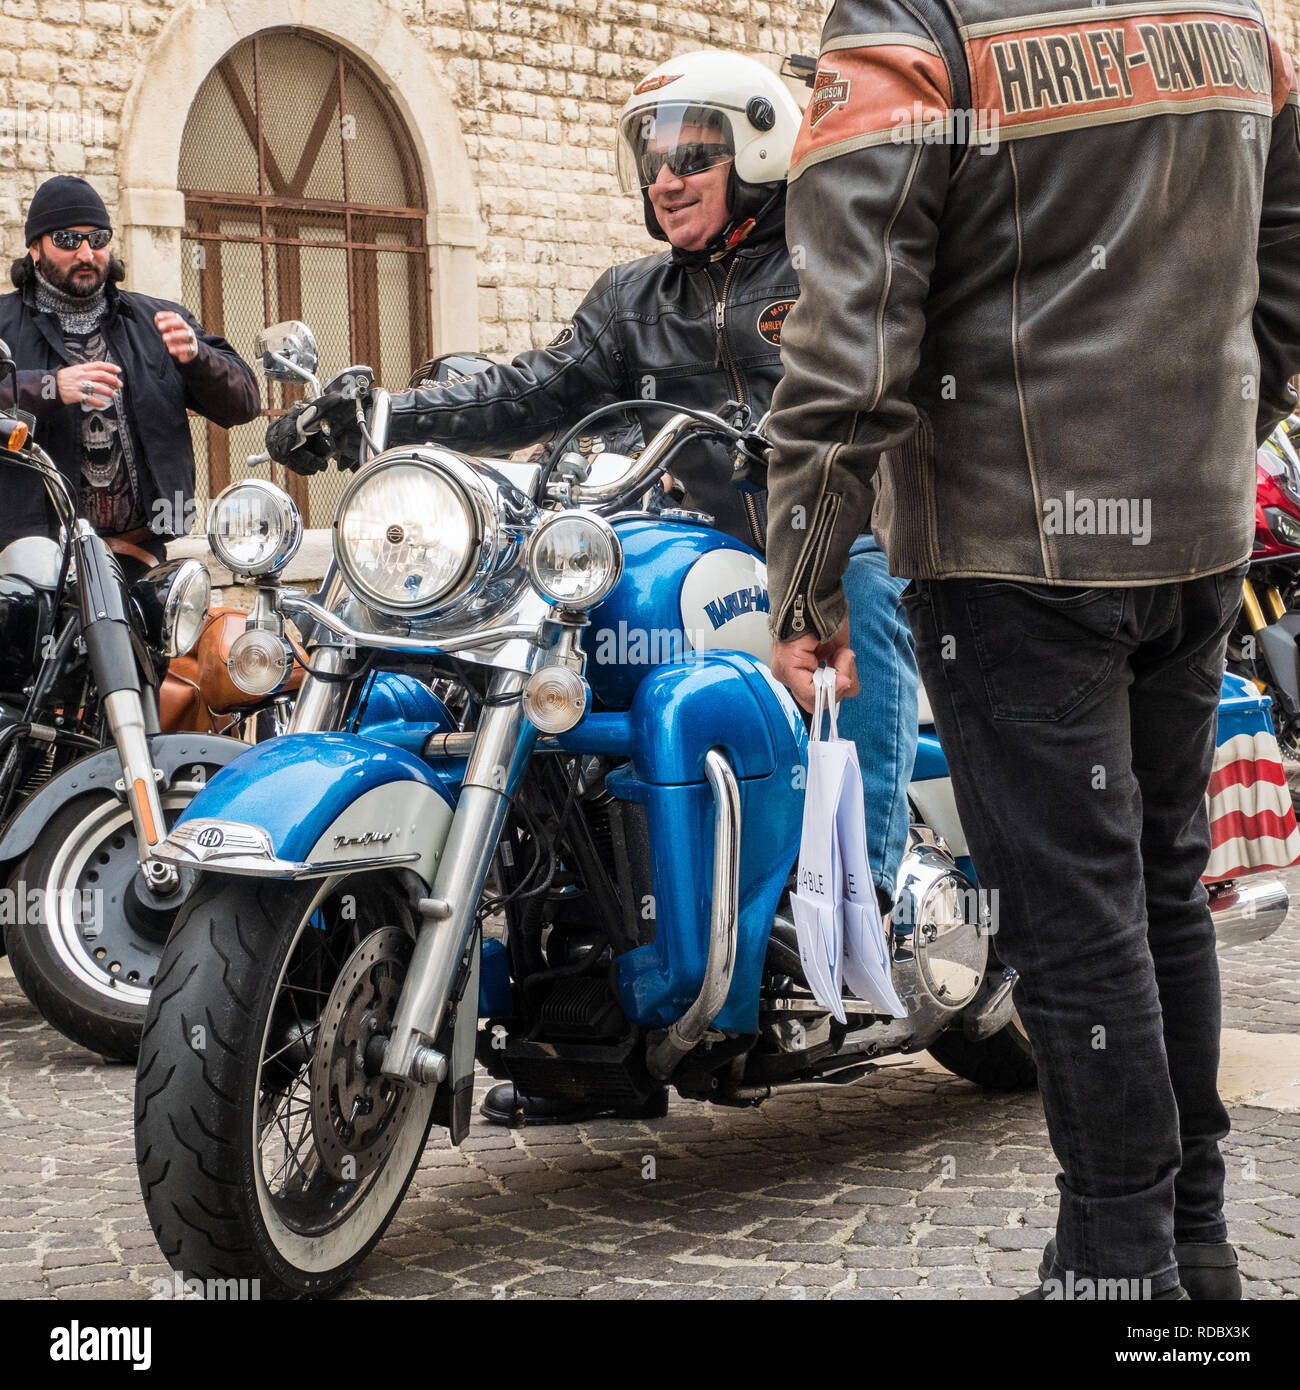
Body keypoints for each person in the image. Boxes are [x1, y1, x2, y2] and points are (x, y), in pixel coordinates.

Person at [268, 49, 920, 1123]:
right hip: (667, 550)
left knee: (866, 578)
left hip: (812, 533)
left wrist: (813, 444)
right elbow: (536, 385)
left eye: (693, 151)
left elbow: (879, 378)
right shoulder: (632, 297)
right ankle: (585, 997)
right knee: (554, 688)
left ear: (758, 150)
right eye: (653, 155)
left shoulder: (823, 271)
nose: (666, 176)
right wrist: (388, 415)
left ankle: (872, 892)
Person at [763, 0, 1300, 1300]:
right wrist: (1223, 434)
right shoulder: (1235, 20)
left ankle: (1121, 1268)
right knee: (1160, 891)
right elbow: (1285, 267)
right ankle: (1195, 1243)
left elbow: (854, 316)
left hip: (1013, 542)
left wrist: (804, 571)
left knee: (1076, 927)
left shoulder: (914, 21)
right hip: (1191, 527)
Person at [0, 176, 261, 576]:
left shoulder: (156, 321)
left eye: (98, 239)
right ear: (35, 248)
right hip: (32, 559)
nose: (86, 252)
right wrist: (51, 386)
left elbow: (244, 403)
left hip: (139, 553)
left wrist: (197, 357)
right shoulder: (4, 323)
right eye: (68, 240)